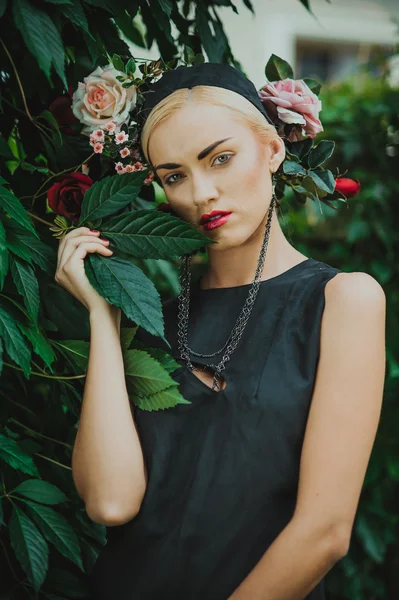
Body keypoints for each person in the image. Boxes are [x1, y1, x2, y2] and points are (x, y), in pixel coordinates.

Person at [58, 63, 386, 600]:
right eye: (174, 176)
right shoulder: (151, 320)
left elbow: (324, 533)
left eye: (220, 158)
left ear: (274, 150)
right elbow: (110, 503)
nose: (201, 193)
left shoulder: (342, 301)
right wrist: (102, 314)